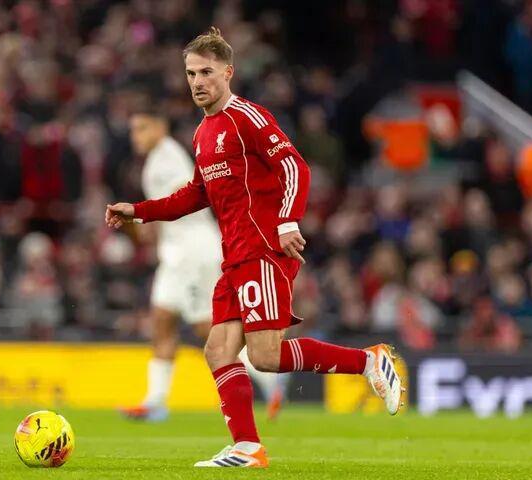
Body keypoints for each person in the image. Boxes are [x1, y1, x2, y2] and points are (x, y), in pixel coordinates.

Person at [106, 27, 403, 468]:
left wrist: (287, 221)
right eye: (191, 74)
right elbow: (194, 195)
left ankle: (368, 361)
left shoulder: (248, 116)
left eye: (206, 72)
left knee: (265, 356)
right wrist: (139, 211)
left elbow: (295, 166)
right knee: (218, 350)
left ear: (228, 72)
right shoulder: (203, 133)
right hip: (234, 256)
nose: (197, 82)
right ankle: (247, 447)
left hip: (262, 249)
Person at [120, 109, 286, 421]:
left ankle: (268, 373)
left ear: (160, 126)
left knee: (206, 329)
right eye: (133, 130)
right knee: (161, 320)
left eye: (142, 128)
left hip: (194, 253)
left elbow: (186, 198)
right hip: (174, 255)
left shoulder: (168, 158)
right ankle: (155, 402)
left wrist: (143, 216)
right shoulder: (156, 160)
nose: (135, 137)